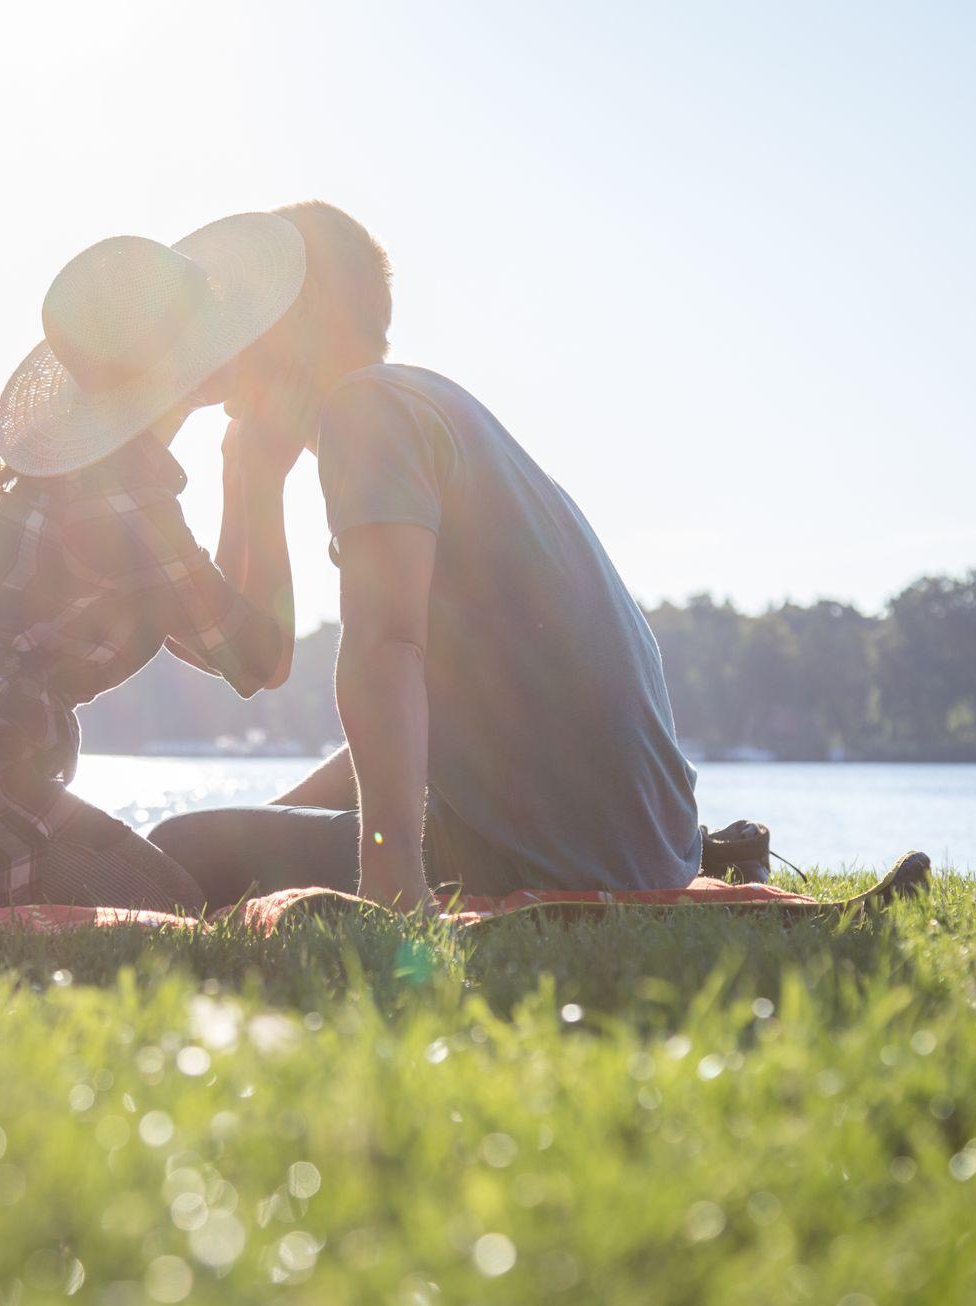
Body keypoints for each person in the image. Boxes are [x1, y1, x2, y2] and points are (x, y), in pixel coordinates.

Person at [151, 203, 703, 910]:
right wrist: (249, 477)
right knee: (210, 842)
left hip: (556, 851)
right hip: (644, 846)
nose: (216, 329)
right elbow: (275, 659)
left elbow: (387, 646)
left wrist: (392, 875)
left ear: (294, 317)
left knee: (178, 849)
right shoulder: (410, 403)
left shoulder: (366, 411)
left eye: (240, 301)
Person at [0, 213, 313, 913]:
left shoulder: (85, 479)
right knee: (175, 914)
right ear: (194, 368)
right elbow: (260, 658)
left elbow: (209, 628)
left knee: (102, 902)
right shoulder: (128, 490)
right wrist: (257, 476)